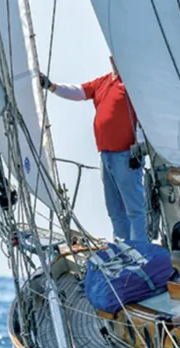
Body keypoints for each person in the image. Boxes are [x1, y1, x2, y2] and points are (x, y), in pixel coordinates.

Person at [39, 57, 146, 242]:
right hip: (106, 155)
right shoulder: (103, 82)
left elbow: (145, 116)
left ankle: (140, 249)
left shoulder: (132, 84)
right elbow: (79, 92)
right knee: (114, 208)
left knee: (134, 207)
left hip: (126, 156)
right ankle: (124, 248)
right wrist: (51, 86)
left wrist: (140, 149)